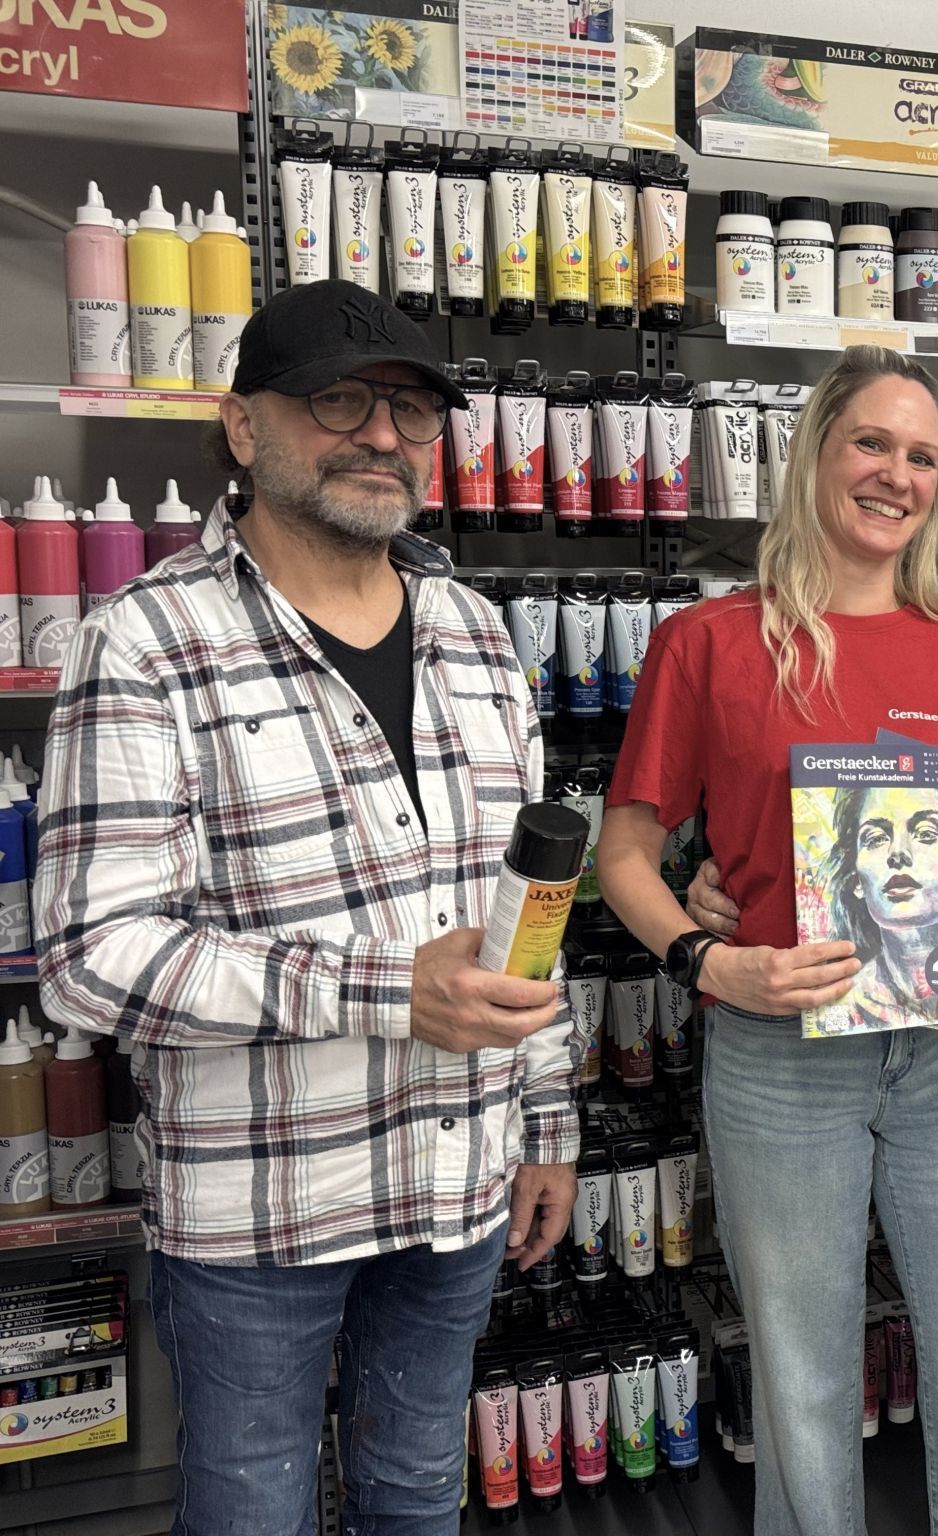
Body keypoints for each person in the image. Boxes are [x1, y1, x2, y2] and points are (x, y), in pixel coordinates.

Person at [33, 279, 575, 1534]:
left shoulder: (480, 638)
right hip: (261, 1207)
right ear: (241, 427)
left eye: (412, 410)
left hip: (459, 1178)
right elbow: (89, 959)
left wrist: (546, 1117)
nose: (381, 435)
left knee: (413, 1494)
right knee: (248, 1511)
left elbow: (527, 912)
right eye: (339, 399)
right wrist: (388, 993)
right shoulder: (144, 641)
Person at [595, 345, 938, 1535]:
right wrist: (708, 960)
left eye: (920, 456)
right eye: (871, 443)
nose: (894, 474)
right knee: (800, 1378)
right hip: (778, 1052)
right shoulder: (707, 643)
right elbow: (627, 853)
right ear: (814, 454)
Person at [821, 781, 938, 1031]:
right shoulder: (844, 1002)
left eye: (926, 834)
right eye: (875, 839)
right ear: (856, 879)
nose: (898, 853)